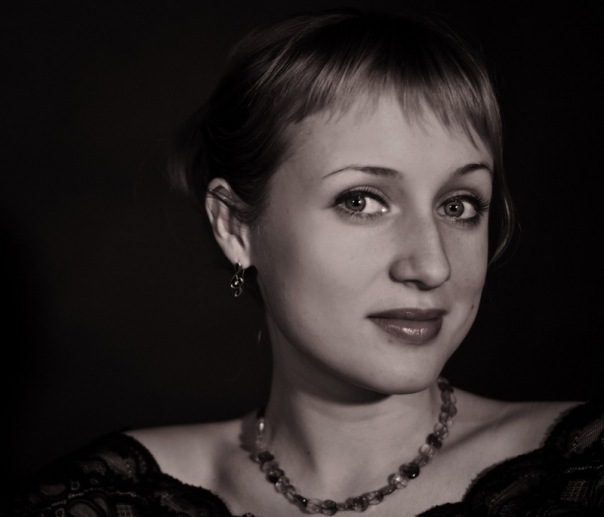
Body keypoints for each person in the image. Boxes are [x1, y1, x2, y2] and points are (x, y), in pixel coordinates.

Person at [5, 8, 602, 517]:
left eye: (459, 205)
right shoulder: (101, 499)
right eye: (361, 201)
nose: (432, 265)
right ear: (235, 226)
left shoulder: (581, 473)